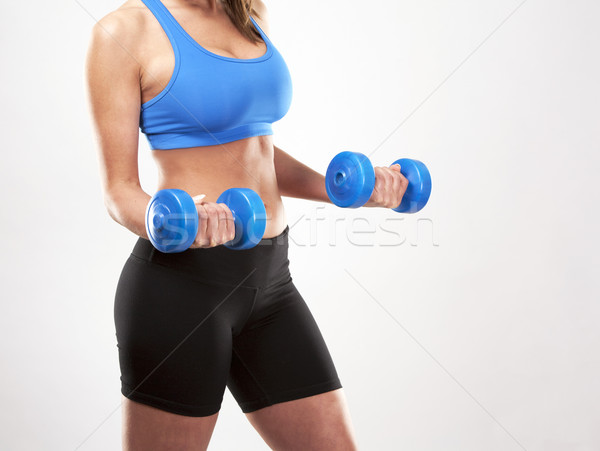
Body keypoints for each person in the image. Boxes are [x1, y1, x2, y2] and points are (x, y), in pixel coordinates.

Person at [85, 0, 408, 449]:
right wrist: (181, 226)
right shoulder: (123, 31)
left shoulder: (248, 10)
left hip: (272, 286)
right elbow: (118, 192)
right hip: (182, 292)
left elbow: (255, 149)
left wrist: (345, 190)